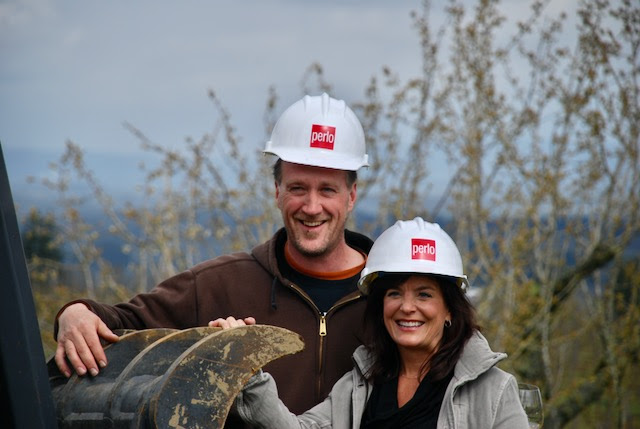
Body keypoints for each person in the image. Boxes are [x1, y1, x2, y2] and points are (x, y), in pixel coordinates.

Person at [53, 93, 374, 424]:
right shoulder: (218, 285)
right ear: (277, 191)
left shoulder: (389, 296)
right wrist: (76, 313)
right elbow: (122, 325)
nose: (311, 206)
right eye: (297, 188)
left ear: (351, 196)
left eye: (327, 190)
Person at [228, 217, 529, 428]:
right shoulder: (361, 385)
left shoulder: (493, 391)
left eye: (424, 295)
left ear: (450, 309)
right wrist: (251, 375)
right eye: (394, 293)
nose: (407, 307)